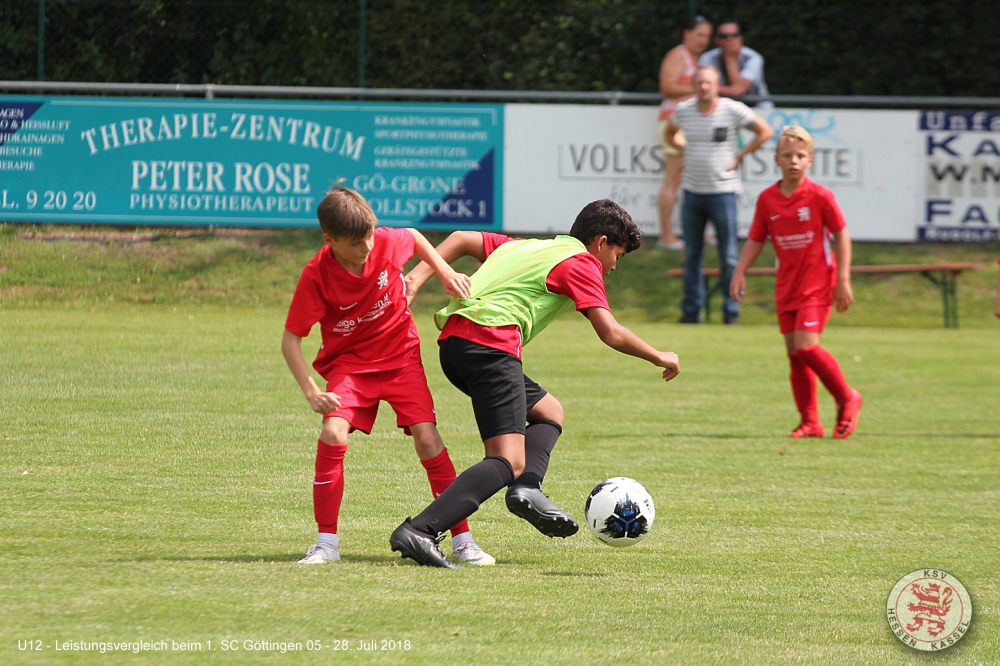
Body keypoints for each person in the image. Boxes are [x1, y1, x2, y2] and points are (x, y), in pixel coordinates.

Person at [388, 200, 681, 568]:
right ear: (601, 241)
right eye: (617, 256)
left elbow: (461, 238)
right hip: (490, 344)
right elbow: (611, 332)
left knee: (549, 412)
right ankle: (421, 529)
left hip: (456, 344)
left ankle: (526, 488)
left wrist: (415, 277)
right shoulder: (582, 261)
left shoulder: (528, 246)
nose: (612, 267)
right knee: (507, 459)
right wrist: (660, 355)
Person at [281, 184, 496, 566]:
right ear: (328, 240)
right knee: (332, 432)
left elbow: (413, 237)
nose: (366, 248)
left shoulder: (381, 242)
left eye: (368, 238)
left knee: (428, 440)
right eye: (354, 243)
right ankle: (326, 544)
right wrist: (311, 391)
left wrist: (443, 272)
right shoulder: (317, 274)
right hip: (350, 364)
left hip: (400, 358)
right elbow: (290, 339)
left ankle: (463, 540)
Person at [730, 126, 863, 439]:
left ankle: (847, 398)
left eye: (800, 156)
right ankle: (810, 422)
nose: (793, 160)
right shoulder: (767, 199)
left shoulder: (819, 196)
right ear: (776, 159)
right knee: (794, 353)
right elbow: (756, 238)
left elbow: (841, 234)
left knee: (806, 347)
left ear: (810, 161)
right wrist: (740, 270)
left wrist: (843, 278)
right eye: (787, 155)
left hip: (817, 282)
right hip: (787, 284)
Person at [665, 65, 773, 325]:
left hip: (723, 193)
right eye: (700, 82)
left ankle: (731, 311)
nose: (704, 87)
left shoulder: (732, 109)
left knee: (729, 257)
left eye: (709, 83)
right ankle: (691, 312)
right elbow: (669, 133)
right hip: (692, 192)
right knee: (692, 256)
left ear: (717, 85)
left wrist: (739, 156)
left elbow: (765, 132)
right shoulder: (684, 111)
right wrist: (681, 146)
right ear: (694, 85)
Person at [656, 16, 712, 251]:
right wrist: (698, 89)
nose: (703, 40)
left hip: (688, 124)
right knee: (673, 180)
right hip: (674, 124)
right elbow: (667, 86)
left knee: (695, 179)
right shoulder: (678, 54)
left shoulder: (694, 59)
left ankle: (700, 233)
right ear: (686, 33)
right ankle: (666, 236)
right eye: (699, 34)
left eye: (707, 36)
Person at [699, 20, 773, 108]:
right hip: (721, 106)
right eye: (724, 36)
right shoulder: (707, 58)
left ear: (741, 38)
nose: (730, 39)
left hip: (756, 106)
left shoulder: (753, 57)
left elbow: (738, 90)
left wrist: (730, 59)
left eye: (734, 35)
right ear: (717, 40)